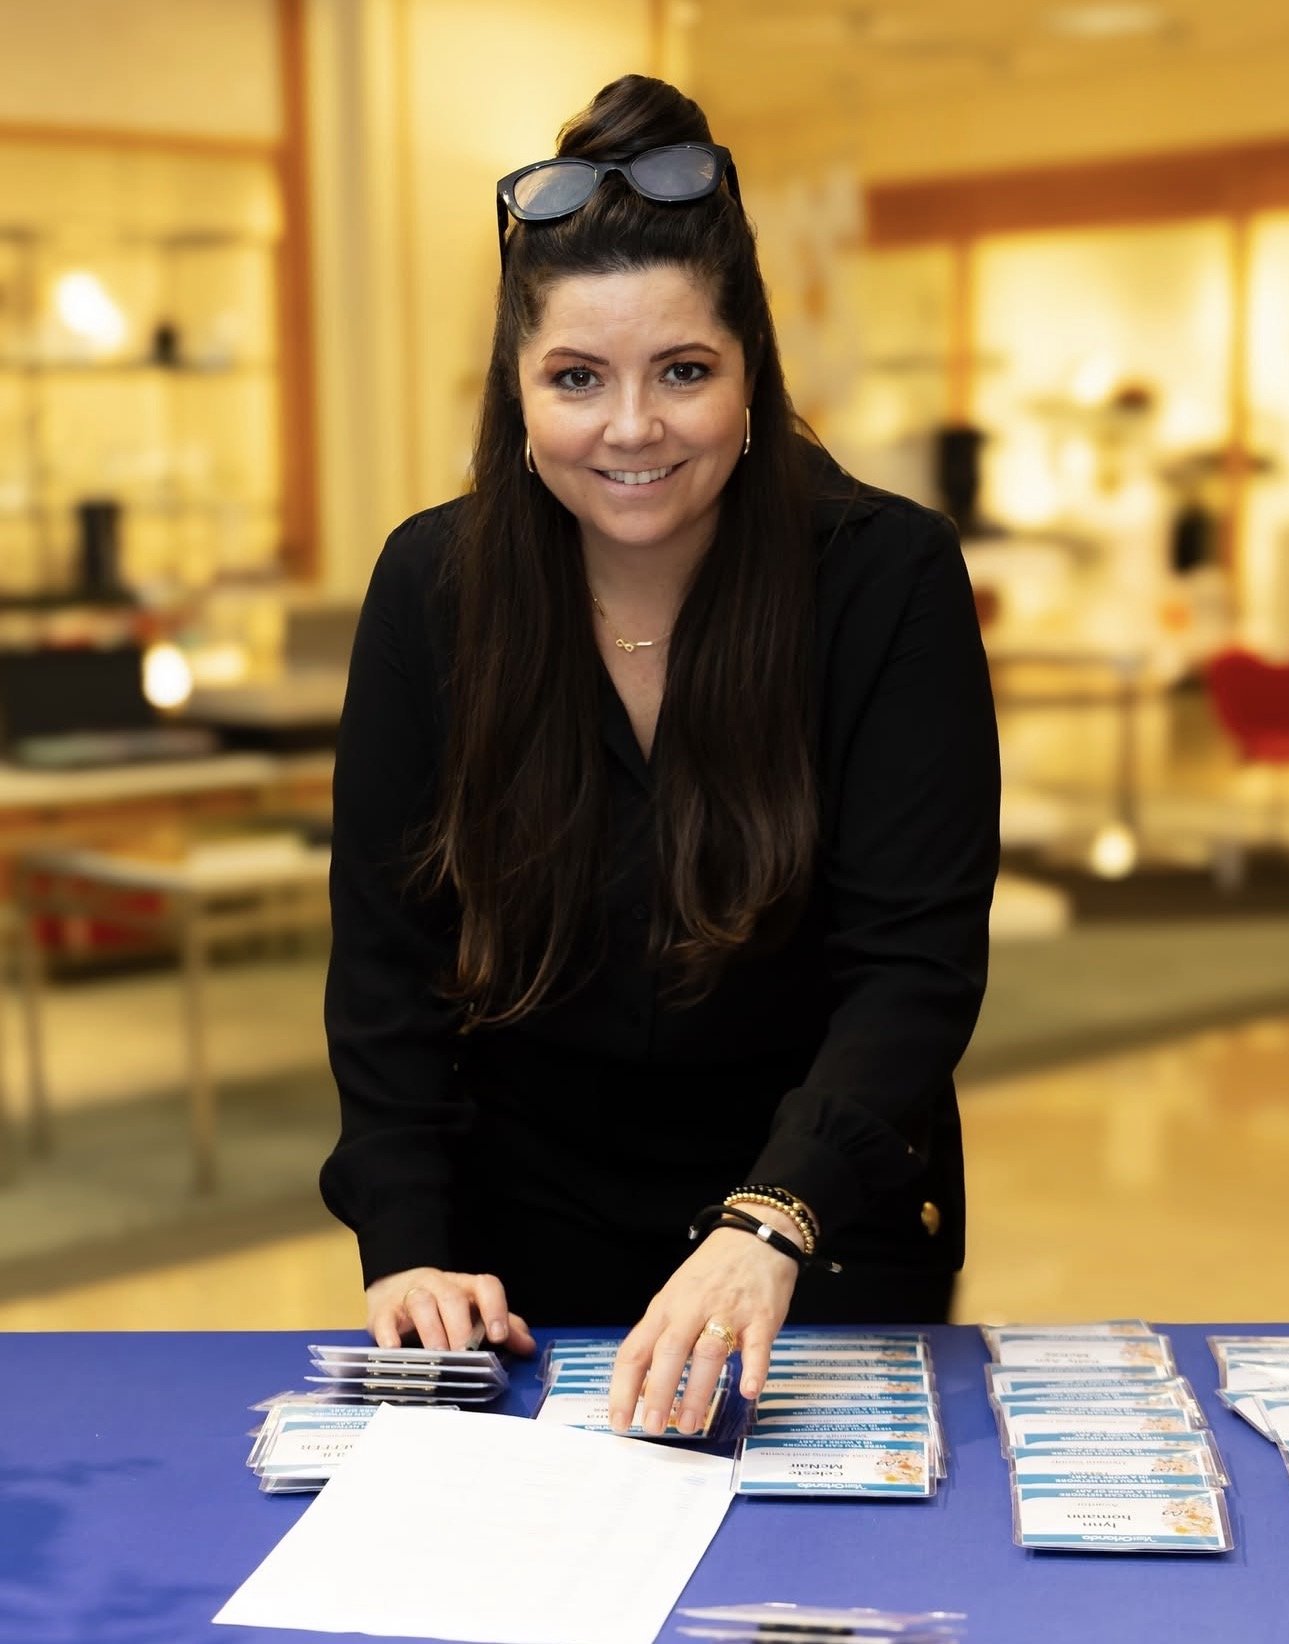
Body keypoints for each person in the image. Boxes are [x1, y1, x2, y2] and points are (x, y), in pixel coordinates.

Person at [320, 73, 999, 1436]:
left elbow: (913, 968)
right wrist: (405, 1240)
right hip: (521, 1252)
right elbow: (386, 958)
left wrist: (774, 1221)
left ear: (750, 373)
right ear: (517, 391)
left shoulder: (887, 580)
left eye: (683, 371)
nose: (632, 429)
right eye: (577, 378)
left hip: (823, 1229)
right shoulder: (432, 587)